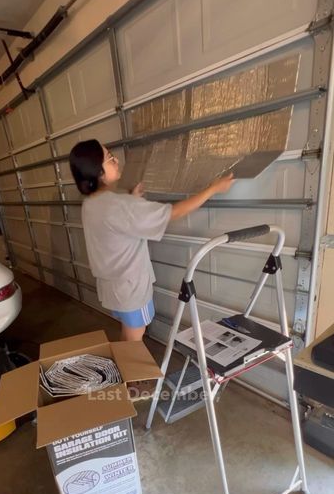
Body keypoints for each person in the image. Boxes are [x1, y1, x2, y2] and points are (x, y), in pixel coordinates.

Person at [69, 139, 234, 342]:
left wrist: (134, 199)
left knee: (128, 336)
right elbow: (174, 212)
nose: (117, 160)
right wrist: (213, 189)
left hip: (112, 287)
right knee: (134, 340)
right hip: (131, 288)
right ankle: (129, 372)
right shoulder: (119, 205)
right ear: (98, 171)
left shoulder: (92, 204)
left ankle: (124, 369)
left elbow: (120, 224)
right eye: (110, 159)